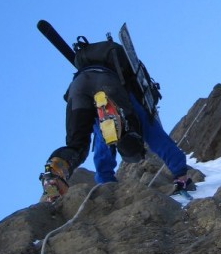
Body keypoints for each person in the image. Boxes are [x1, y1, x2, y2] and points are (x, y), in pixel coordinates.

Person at [40, 34, 195, 201]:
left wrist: (105, 182)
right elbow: (156, 137)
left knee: (78, 145)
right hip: (108, 83)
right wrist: (180, 172)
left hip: (77, 88)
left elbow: (101, 148)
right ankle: (120, 124)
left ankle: (54, 171)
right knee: (128, 134)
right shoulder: (134, 91)